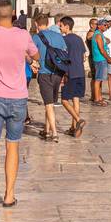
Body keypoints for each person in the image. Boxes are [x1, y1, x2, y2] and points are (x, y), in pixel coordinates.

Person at [0, 0, 39, 209]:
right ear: (13, 14)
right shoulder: (23, 35)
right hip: (18, 98)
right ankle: (9, 195)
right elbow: (36, 54)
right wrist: (26, 55)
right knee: (13, 145)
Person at [32, 12, 69, 142]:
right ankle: (46, 130)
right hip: (57, 73)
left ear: (36, 24)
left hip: (44, 73)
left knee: (48, 104)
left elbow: (30, 53)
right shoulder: (59, 36)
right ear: (48, 23)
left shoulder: (36, 38)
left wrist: (33, 63)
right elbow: (65, 52)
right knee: (50, 103)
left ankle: (54, 133)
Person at [57, 16, 87, 138]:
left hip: (71, 73)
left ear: (67, 26)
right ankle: (74, 128)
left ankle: (79, 120)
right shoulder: (79, 39)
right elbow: (84, 56)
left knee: (64, 100)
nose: (60, 28)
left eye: (61, 26)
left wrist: (63, 75)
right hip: (80, 72)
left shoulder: (64, 40)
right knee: (76, 99)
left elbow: (63, 58)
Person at [89, 18, 110, 106]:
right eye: (105, 25)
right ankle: (97, 99)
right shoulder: (97, 35)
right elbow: (101, 49)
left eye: (107, 25)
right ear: (99, 26)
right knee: (98, 80)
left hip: (102, 59)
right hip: (100, 59)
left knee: (100, 79)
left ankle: (99, 97)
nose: (106, 27)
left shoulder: (100, 34)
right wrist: (108, 58)